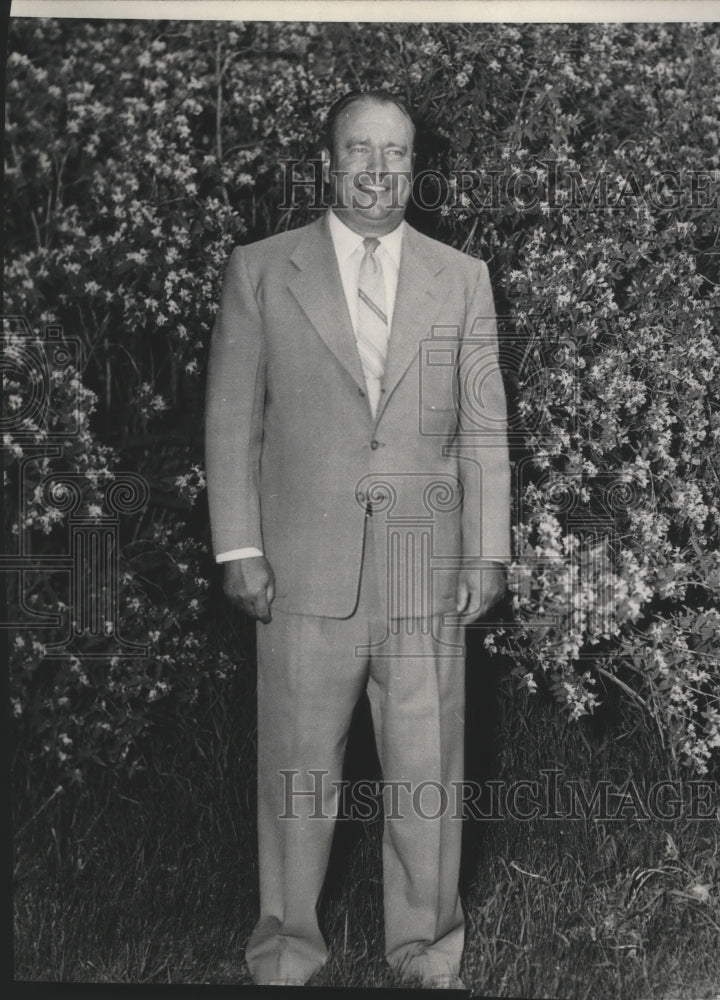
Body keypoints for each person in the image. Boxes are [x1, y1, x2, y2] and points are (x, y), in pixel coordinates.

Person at [205, 90, 510, 989]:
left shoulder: (461, 277)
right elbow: (232, 423)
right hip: (301, 571)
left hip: (427, 572)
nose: (378, 170)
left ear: (415, 166)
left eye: (397, 153)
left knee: (428, 776)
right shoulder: (261, 270)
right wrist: (237, 548)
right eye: (359, 152)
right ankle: (286, 949)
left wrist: (487, 550)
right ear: (328, 164)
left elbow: (481, 431)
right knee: (297, 779)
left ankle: (424, 949)